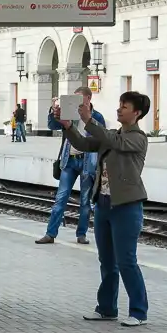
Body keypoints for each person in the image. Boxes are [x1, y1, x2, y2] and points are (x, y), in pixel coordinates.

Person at [56, 90, 151, 328]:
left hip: (126, 206)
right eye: (119, 105)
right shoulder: (113, 135)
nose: (119, 109)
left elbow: (114, 142)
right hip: (104, 204)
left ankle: (139, 311)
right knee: (107, 260)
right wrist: (68, 126)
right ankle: (107, 308)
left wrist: (89, 119)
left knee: (126, 260)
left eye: (125, 106)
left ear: (137, 113)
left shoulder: (138, 138)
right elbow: (83, 143)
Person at [37, 86, 106, 245]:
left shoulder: (97, 116)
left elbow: (102, 137)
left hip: (88, 162)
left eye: (79, 98)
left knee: (85, 201)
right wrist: (53, 111)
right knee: (61, 197)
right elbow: (52, 126)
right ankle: (50, 234)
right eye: (74, 98)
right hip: (70, 160)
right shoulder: (69, 113)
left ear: (88, 98)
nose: (76, 102)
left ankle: (81, 234)